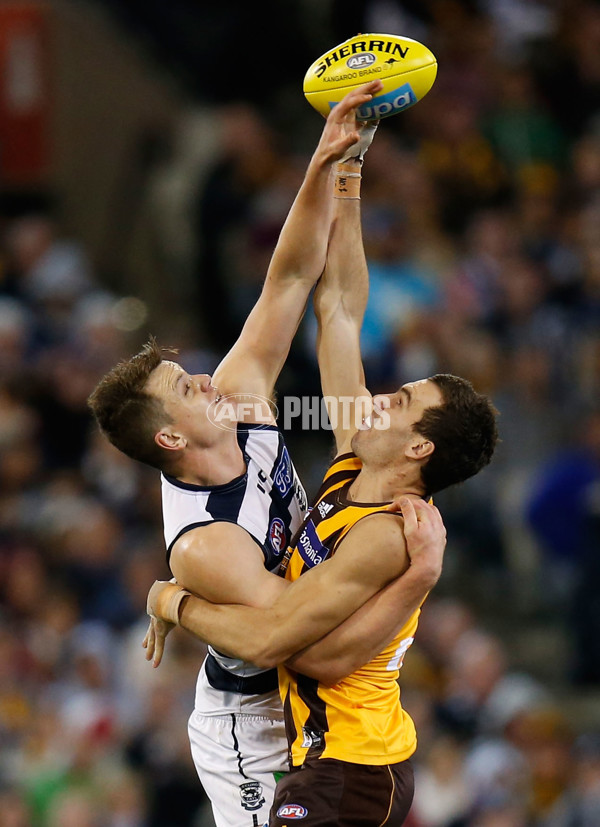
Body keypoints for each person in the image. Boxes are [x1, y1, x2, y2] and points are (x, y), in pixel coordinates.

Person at [88, 80, 447, 827]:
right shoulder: (205, 546)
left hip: (309, 709)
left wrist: (327, 162)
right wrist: (170, 598)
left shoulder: (241, 397)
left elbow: (288, 281)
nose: (205, 380)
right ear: (172, 439)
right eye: (186, 388)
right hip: (249, 722)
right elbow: (299, 634)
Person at [146, 134, 499, 825]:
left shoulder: (389, 536)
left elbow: (307, 651)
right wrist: (349, 171)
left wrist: (172, 603)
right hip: (338, 761)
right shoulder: (351, 466)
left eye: (399, 402)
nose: (379, 396)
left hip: (351, 769)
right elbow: (337, 306)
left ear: (419, 446)